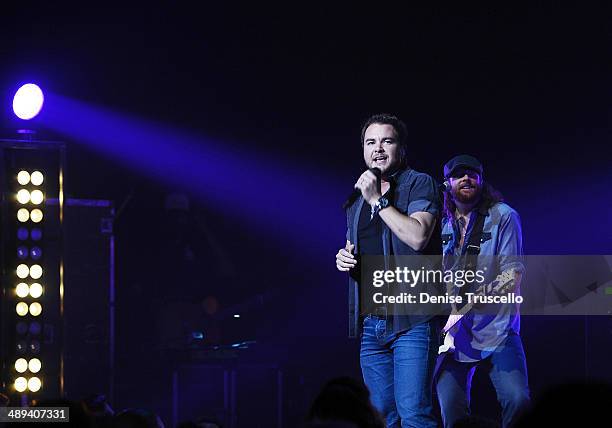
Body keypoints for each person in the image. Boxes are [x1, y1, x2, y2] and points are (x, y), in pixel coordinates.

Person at [336, 113, 441, 427]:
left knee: (414, 413)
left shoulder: (419, 183)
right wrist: (344, 258)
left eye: (387, 141)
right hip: (372, 323)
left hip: (413, 319)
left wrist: (379, 201)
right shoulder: (357, 200)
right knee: (380, 417)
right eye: (371, 142)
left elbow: (418, 236)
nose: (378, 148)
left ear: (401, 149)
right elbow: (355, 247)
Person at [435, 155, 530, 428]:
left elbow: (512, 274)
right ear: (447, 183)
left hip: (497, 330)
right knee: (451, 412)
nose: (466, 178)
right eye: (459, 174)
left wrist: (464, 307)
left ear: (481, 180)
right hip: (452, 338)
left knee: (518, 400)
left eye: (472, 174)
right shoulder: (438, 224)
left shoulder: (504, 216)